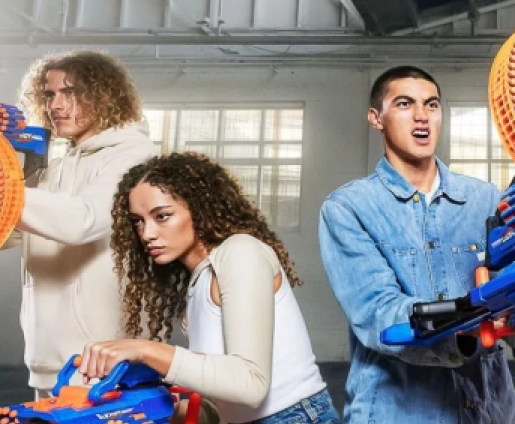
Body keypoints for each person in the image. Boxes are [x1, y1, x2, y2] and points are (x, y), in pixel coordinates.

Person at [318, 66, 515, 423]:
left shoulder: (486, 199)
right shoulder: (349, 208)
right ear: (376, 118)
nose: (421, 115)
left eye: (431, 104)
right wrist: (472, 322)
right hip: (398, 412)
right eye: (404, 104)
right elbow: (379, 313)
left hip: (491, 409)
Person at [77, 152, 339, 424]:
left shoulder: (241, 252)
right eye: (138, 221)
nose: (147, 234)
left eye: (162, 216)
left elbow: (250, 385)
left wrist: (144, 350)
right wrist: (149, 412)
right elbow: (224, 403)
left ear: (200, 209)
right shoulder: (199, 280)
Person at [2, 51, 157, 397]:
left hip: (103, 363)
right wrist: (8, 163)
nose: (55, 105)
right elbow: (11, 232)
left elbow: (82, 221)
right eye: (49, 94)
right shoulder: (56, 164)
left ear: (104, 95)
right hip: (45, 359)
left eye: (70, 92)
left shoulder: (133, 155)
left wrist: (7, 189)